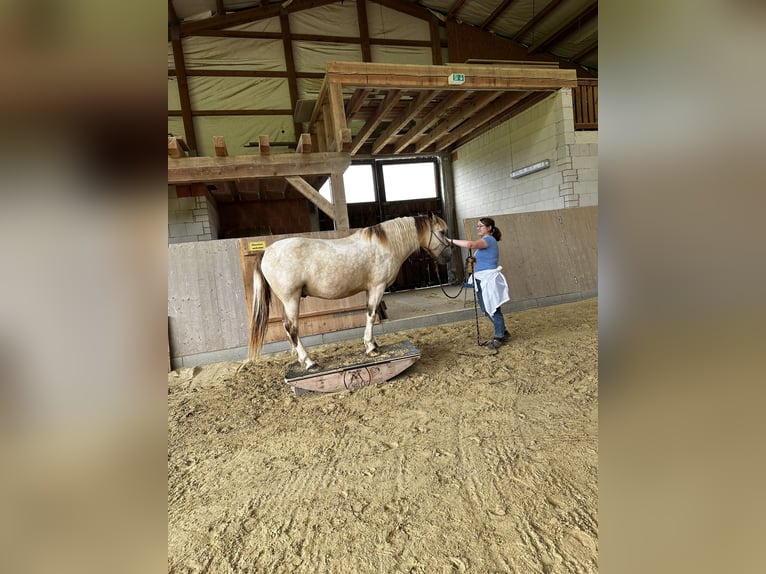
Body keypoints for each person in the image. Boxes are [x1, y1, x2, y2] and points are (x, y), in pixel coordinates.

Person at [446, 217, 510, 348]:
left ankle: (499, 336)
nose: (478, 228)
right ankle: (502, 331)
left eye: (481, 226)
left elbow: (470, 244)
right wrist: (473, 259)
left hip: (488, 279)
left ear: (489, 228)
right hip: (481, 278)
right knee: (486, 309)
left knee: (492, 308)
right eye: (477, 226)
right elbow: (483, 258)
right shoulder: (484, 243)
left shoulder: (489, 240)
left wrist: (450, 241)